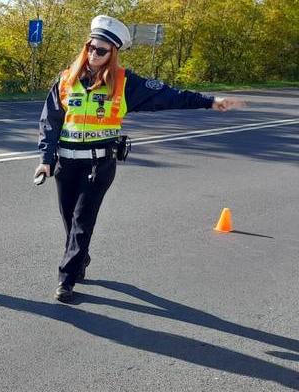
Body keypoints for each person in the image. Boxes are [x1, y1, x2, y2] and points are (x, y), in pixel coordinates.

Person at [35, 15, 245, 303]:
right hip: (66, 163)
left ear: (113, 54)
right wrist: (46, 159)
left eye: (101, 51)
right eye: (91, 47)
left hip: (99, 165)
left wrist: (209, 102)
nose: (93, 54)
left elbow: (170, 97)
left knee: (83, 221)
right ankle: (79, 257)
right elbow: (51, 121)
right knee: (69, 219)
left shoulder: (125, 83)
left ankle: (66, 279)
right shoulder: (66, 78)